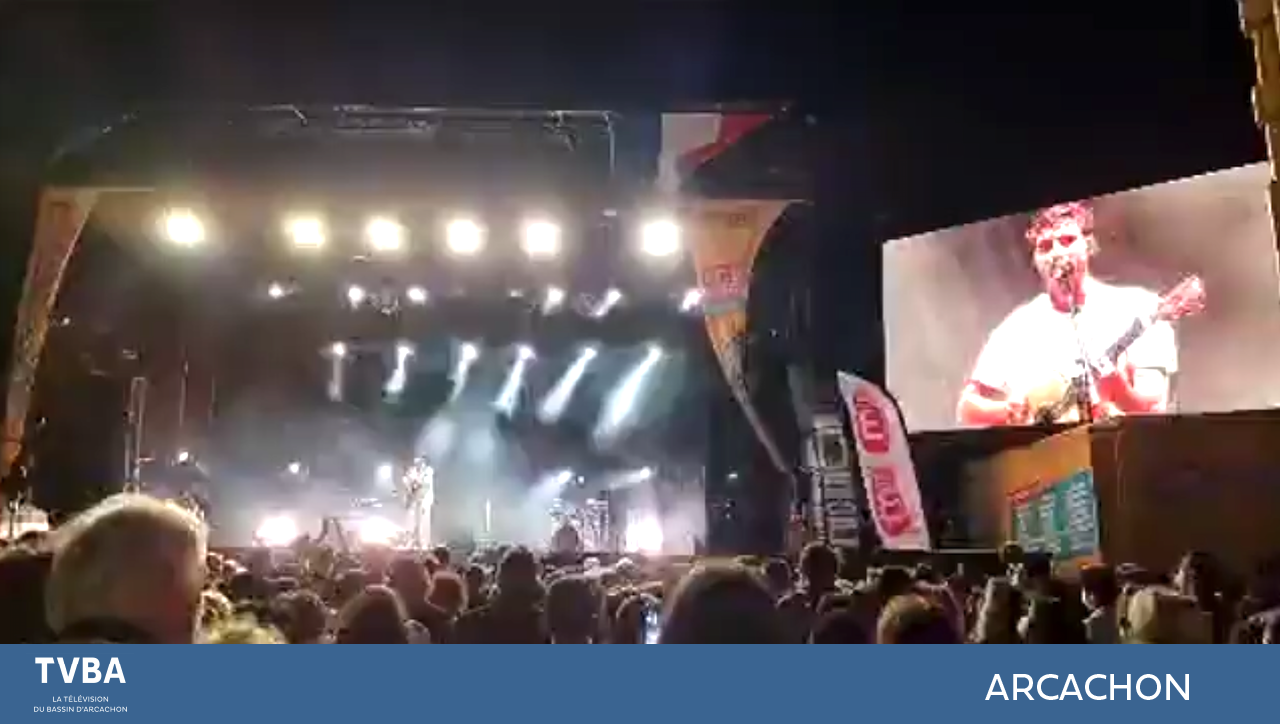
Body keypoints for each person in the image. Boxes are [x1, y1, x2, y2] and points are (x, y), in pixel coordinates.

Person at [957, 201, 1177, 427]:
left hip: (1117, 445)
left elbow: (1153, 408)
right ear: (1035, 260)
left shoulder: (1139, 307)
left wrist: (1116, 388)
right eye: (1045, 246)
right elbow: (968, 407)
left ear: (1088, 246)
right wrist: (1010, 411)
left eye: (1067, 240)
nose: (1057, 252)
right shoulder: (1016, 327)